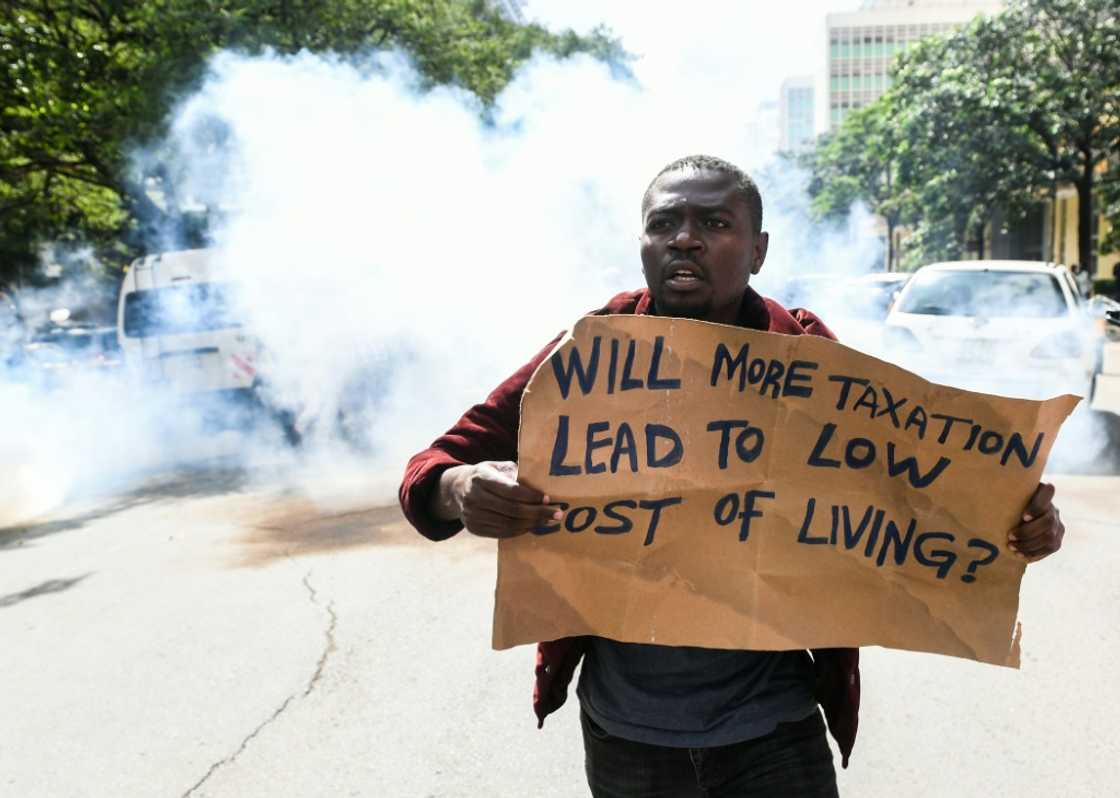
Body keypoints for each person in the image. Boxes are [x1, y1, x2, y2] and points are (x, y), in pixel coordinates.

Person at [398, 155, 1066, 797]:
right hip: (626, 737)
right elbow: (436, 464)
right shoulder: (589, 352)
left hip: (773, 732)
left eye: (715, 224)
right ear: (643, 243)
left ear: (758, 250)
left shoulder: (807, 358)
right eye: (664, 224)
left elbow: (924, 486)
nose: (684, 240)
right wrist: (459, 490)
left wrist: (1018, 516)